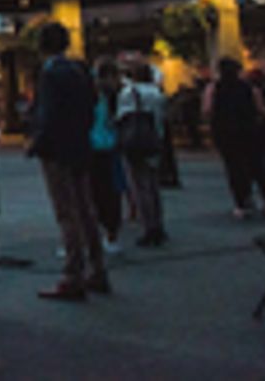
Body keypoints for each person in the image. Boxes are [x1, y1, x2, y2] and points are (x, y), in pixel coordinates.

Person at [28, 23, 109, 301]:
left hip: (57, 150)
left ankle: (72, 273)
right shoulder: (79, 69)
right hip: (79, 145)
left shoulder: (50, 74)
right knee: (86, 208)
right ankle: (97, 268)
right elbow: (91, 103)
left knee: (66, 212)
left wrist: (37, 142)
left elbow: (48, 114)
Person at [207, 58, 265, 218]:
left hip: (225, 133)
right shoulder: (248, 88)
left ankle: (242, 202)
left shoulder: (214, 88)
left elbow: (207, 109)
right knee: (257, 167)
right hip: (249, 131)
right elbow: (261, 109)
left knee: (234, 169)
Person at [117, 60, 168, 247]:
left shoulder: (128, 93)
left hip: (134, 140)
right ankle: (158, 223)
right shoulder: (157, 94)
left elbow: (122, 117)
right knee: (153, 184)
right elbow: (161, 118)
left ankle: (148, 225)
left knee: (139, 185)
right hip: (153, 138)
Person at [88, 59, 123, 254]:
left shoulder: (91, 95)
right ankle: (112, 233)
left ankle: (101, 231)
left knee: (95, 192)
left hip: (93, 144)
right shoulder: (114, 95)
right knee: (111, 192)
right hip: (111, 145)